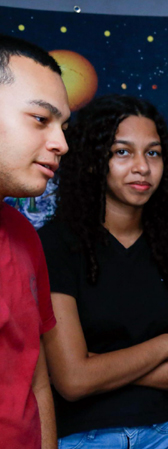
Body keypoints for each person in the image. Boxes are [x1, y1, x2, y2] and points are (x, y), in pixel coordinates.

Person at [38, 94, 168, 448]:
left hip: (164, 434)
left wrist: (100, 368)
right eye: (123, 151)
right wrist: (165, 345)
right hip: (84, 437)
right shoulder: (56, 245)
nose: (142, 167)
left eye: (153, 153)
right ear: (94, 161)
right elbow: (73, 380)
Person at [0, 34, 69, 449]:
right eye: (41, 120)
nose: (61, 143)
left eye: (64, 126)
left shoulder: (25, 237)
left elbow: (36, 380)